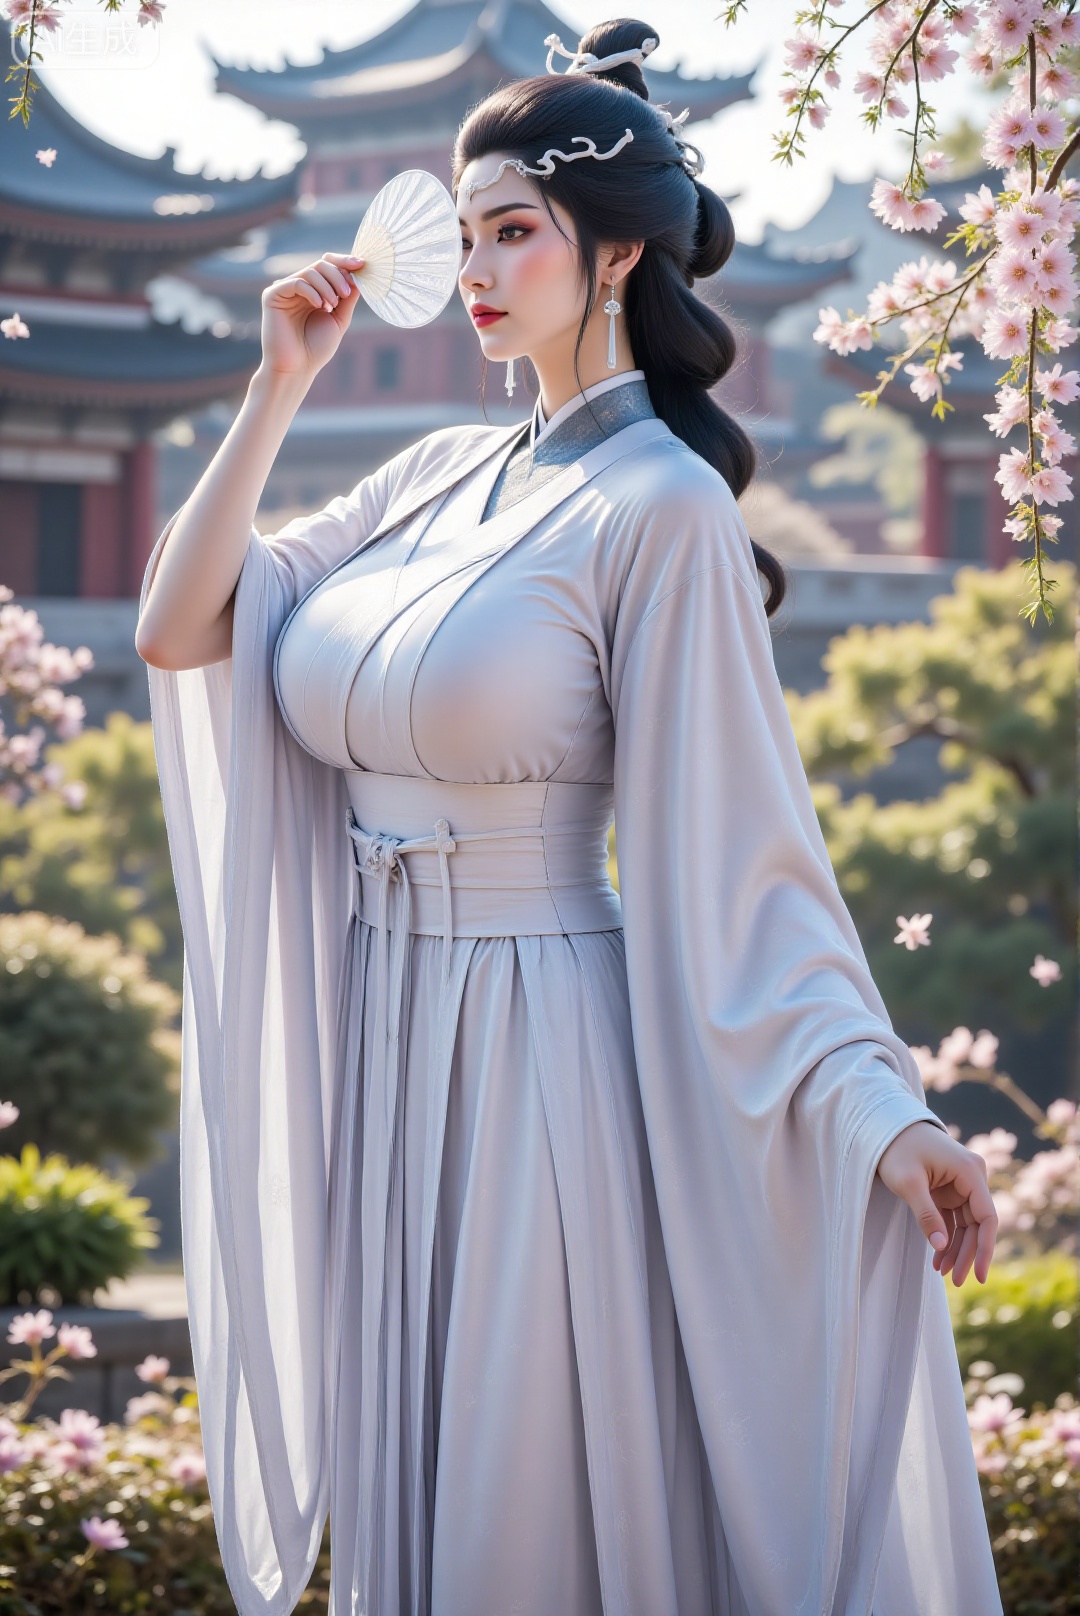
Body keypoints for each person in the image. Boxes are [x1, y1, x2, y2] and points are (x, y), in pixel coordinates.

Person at [135, 17, 1003, 1616]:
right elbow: (180, 629)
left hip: (539, 1049)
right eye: (464, 234)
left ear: (615, 257)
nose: (475, 269)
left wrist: (882, 1116)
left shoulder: (663, 508)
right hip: (387, 1031)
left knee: (512, 1504)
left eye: (514, 232)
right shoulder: (430, 476)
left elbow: (745, 861)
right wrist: (275, 387)